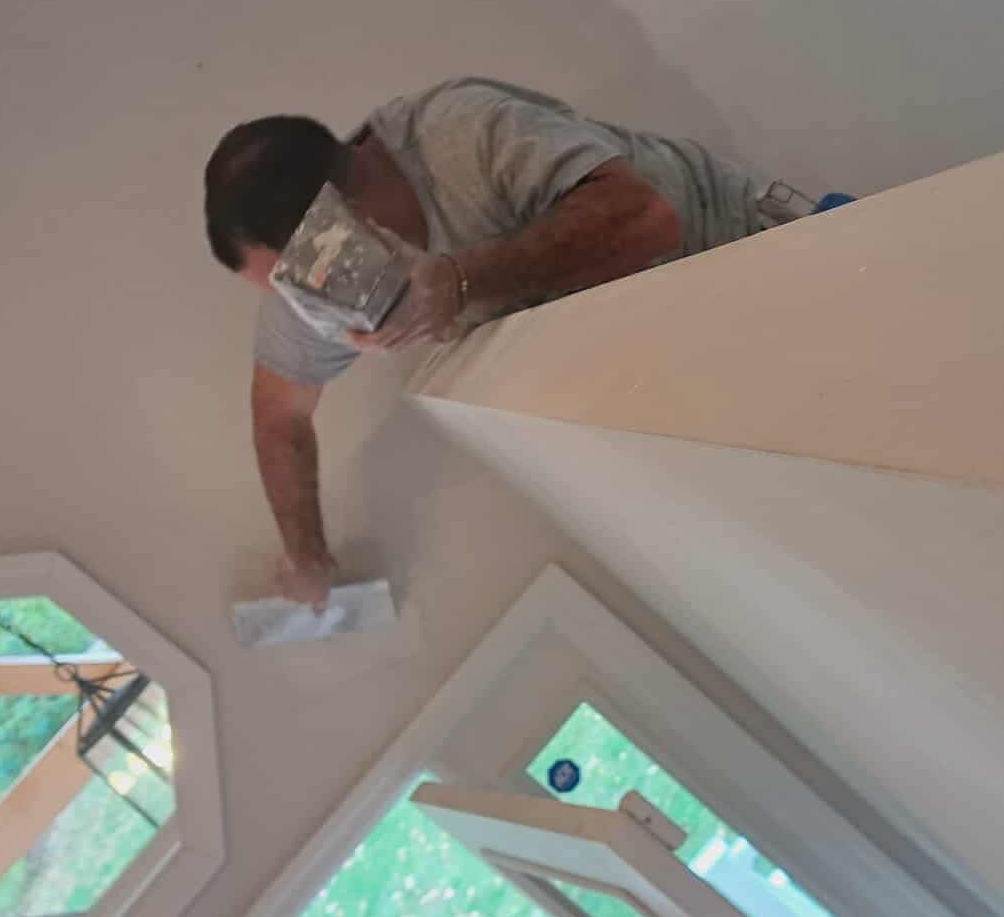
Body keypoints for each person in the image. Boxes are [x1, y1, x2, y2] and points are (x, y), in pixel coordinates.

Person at [204, 77, 825, 608]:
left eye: (302, 281)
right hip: (687, 369)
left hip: (756, 265)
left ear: (344, 217)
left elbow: (647, 219)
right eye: (284, 293)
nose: (307, 308)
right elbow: (279, 415)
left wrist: (462, 280)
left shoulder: (459, 134)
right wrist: (307, 554)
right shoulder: (313, 283)